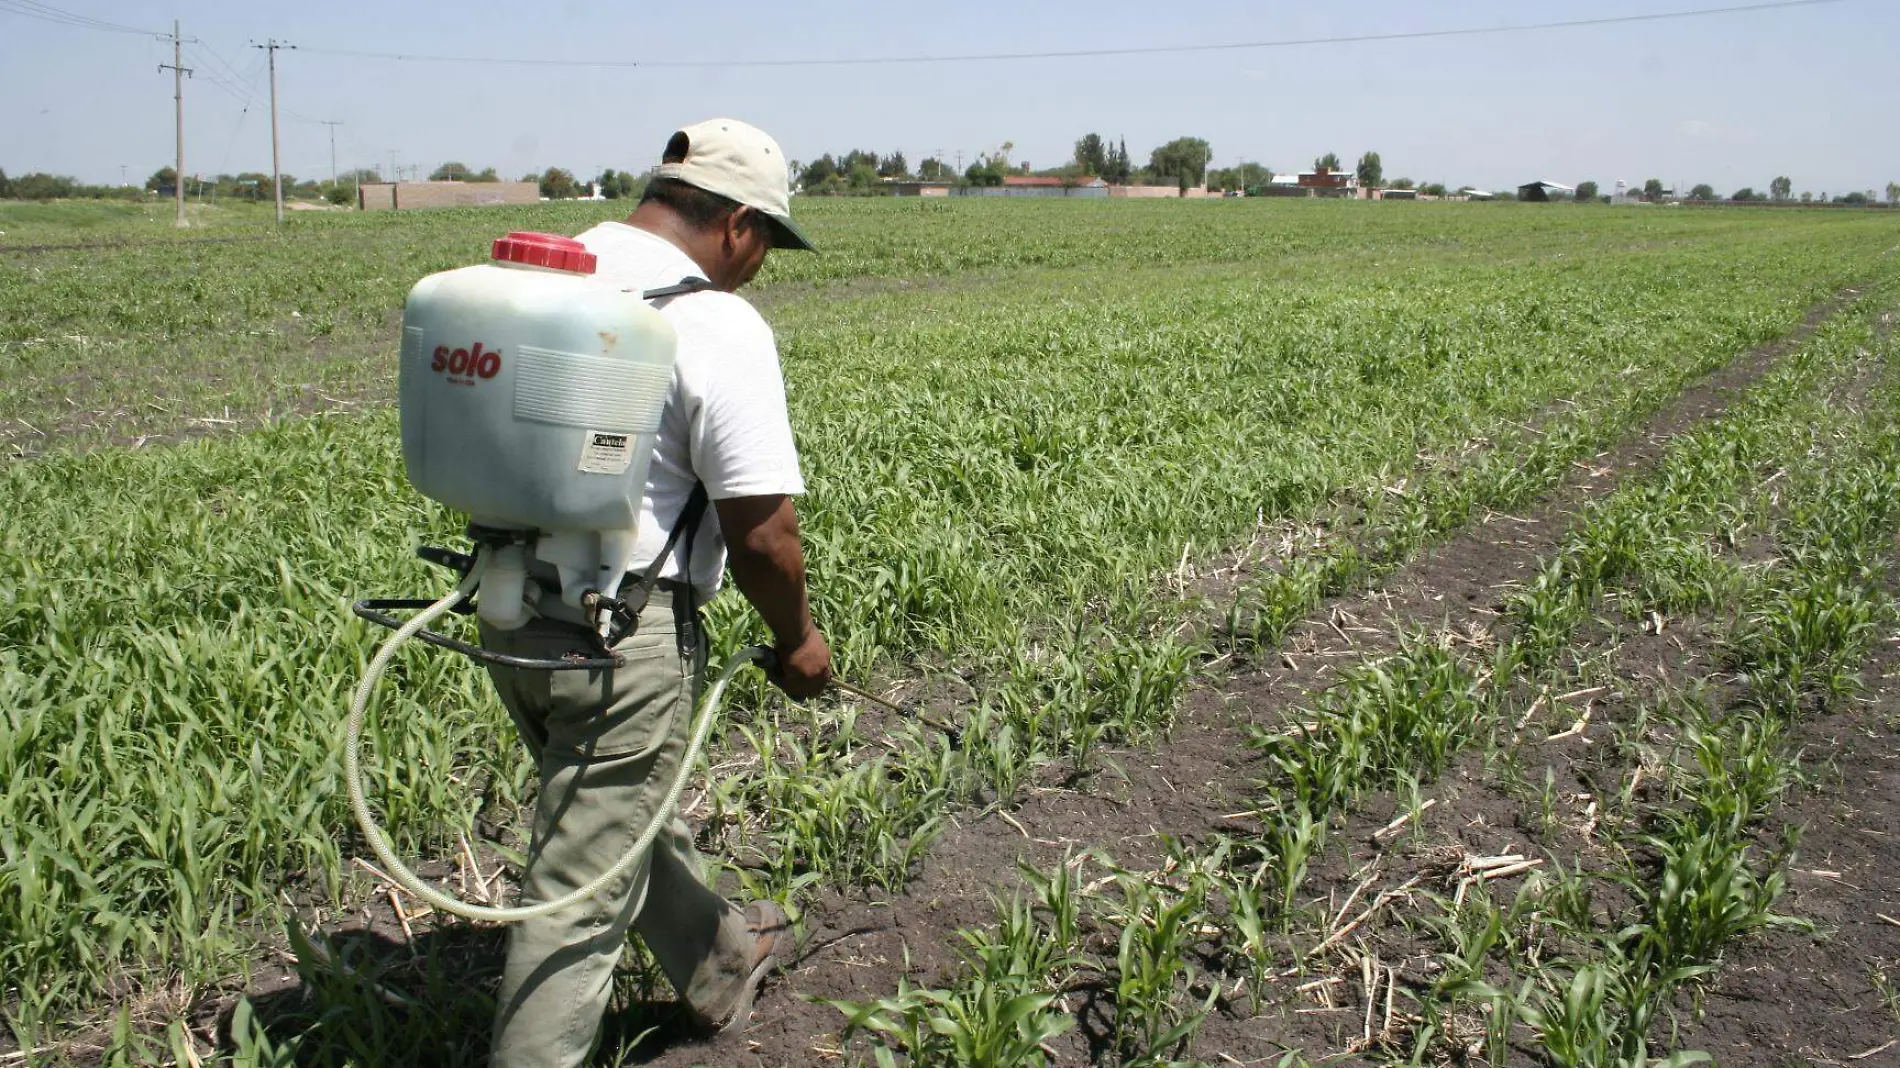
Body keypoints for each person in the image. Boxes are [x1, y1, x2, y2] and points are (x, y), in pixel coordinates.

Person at [476, 118, 832, 1067]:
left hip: (506, 608)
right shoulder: (712, 320)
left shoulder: (545, 273)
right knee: (577, 895)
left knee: (612, 808)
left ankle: (722, 957)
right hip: (619, 634)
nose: (759, 268)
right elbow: (763, 534)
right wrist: (799, 640)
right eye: (767, 247)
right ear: (739, 225)